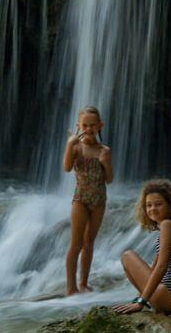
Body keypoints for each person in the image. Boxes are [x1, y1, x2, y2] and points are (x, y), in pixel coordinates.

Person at [113, 179, 171, 319]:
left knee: (127, 256)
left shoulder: (168, 225)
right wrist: (138, 298)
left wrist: (140, 303)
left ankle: (157, 304)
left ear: (170, 205)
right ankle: (170, 311)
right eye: (148, 205)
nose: (152, 209)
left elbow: (161, 267)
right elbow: (154, 268)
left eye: (158, 204)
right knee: (149, 270)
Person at [63, 105, 113, 295]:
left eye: (93, 125)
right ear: (78, 126)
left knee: (89, 242)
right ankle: (71, 287)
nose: (88, 129)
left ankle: (83, 283)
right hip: (80, 199)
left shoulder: (104, 150)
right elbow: (67, 168)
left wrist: (105, 162)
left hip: (99, 200)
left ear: (100, 126)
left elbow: (109, 179)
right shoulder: (76, 147)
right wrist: (69, 144)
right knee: (76, 243)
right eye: (85, 125)